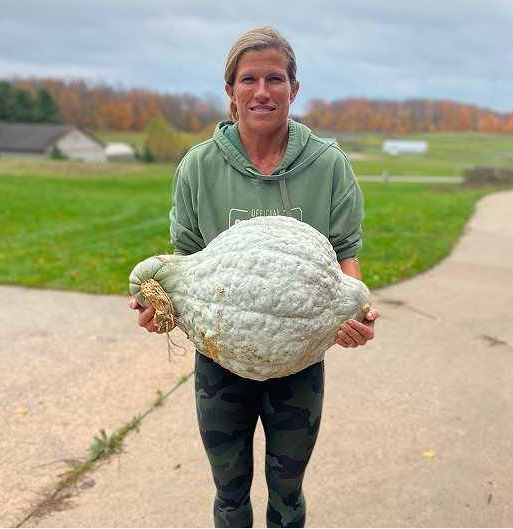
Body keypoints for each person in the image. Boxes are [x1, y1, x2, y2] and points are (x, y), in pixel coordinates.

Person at [130, 26, 378, 529]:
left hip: (299, 357)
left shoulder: (329, 165)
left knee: (288, 492)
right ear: (230, 91)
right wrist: (161, 308)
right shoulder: (198, 167)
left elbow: (346, 253)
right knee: (229, 492)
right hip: (220, 358)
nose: (262, 91)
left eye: (275, 78)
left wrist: (355, 311)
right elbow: (186, 262)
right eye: (248, 79)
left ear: (294, 88)